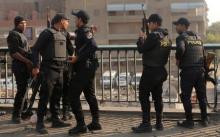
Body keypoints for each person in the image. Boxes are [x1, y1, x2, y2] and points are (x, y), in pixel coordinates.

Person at [31, 13, 72, 134]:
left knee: (57, 96)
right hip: (48, 69)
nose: (68, 23)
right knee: (45, 96)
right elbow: (35, 49)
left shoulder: (64, 33)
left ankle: (56, 119)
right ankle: (40, 124)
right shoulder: (47, 33)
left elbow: (70, 50)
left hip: (60, 69)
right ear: (61, 21)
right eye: (67, 21)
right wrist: (36, 66)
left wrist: (68, 37)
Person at [132, 14, 172, 133]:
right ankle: (159, 123)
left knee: (143, 96)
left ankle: (146, 124)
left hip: (150, 71)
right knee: (157, 97)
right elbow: (155, 48)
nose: (148, 25)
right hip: (161, 71)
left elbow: (141, 49)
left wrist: (140, 38)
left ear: (155, 23)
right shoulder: (166, 37)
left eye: (149, 23)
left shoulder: (153, 35)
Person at [68, 10, 101, 135]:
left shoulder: (84, 31)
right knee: (89, 95)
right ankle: (96, 122)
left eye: (76, 18)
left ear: (80, 20)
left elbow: (93, 45)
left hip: (84, 68)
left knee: (73, 94)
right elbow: (86, 42)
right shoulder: (85, 31)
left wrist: (77, 57)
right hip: (88, 68)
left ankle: (81, 125)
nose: (75, 21)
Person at [173, 17, 208, 128]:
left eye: (177, 25)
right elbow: (203, 53)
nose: (176, 27)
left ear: (183, 26)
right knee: (201, 96)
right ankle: (204, 119)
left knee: (185, 96)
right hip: (200, 71)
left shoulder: (181, 37)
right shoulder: (198, 37)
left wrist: (178, 60)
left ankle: (189, 121)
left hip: (188, 71)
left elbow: (180, 50)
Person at [7, 16, 33, 124]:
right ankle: (16, 115)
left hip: (25, 67)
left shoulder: (22, 35)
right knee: (21, 91)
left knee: (25, 91)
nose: (24, 25)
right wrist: (27, 61)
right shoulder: (13, 34)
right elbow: (14, 53)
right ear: (16, 24)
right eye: (22, 23)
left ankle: (24, 113)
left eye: (25, 23)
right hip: (19, 67)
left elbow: (25, 50)